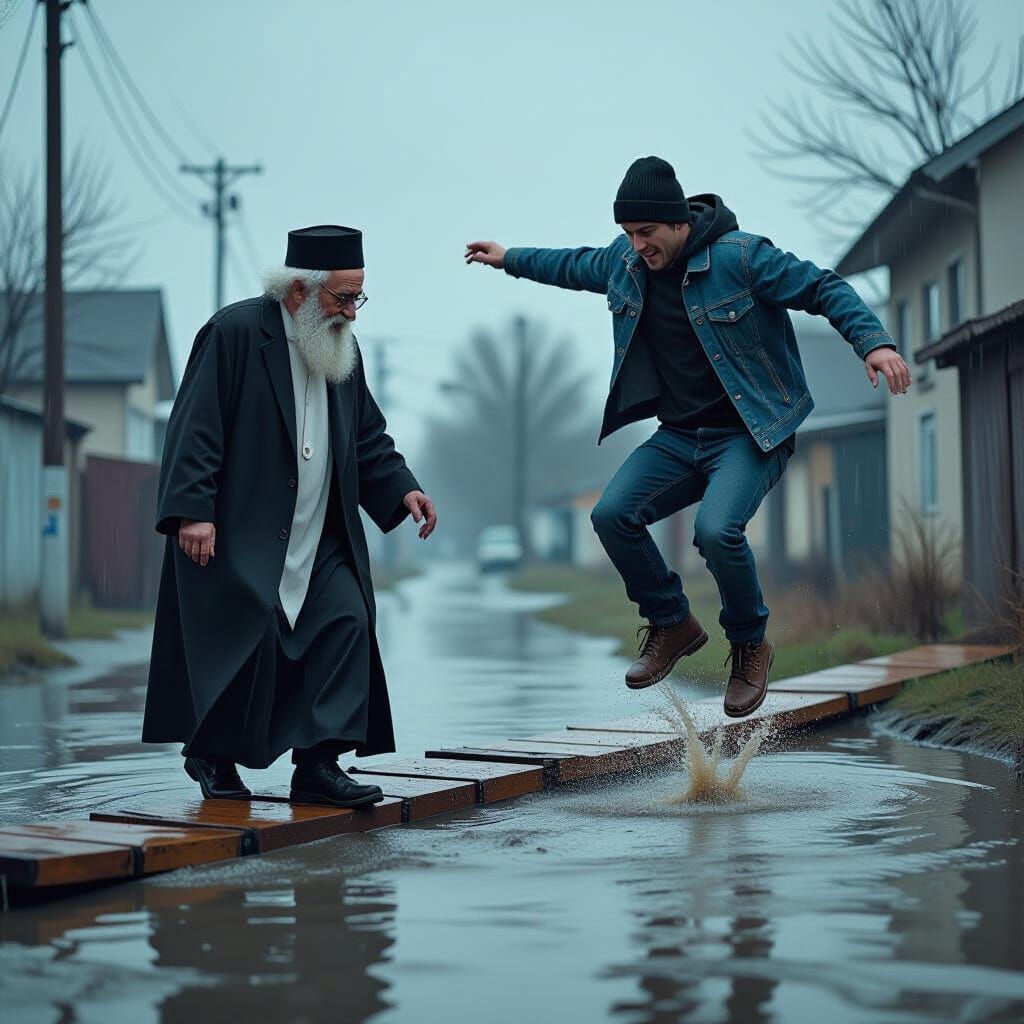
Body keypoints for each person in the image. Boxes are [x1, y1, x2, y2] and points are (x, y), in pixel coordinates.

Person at [465, 157, 910, 718]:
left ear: (677, 223)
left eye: (646, 233)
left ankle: (750, 645)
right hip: (679, 437)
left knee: (717, 530)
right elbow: (573, 264)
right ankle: (672, 623)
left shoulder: (742, 259)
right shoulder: (624, 264)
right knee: (611, 515)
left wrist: (874, 342)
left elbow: (822, 287)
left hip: (751, 434)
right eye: (628, 234)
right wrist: (510, 259)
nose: (637, 246)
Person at [143, 225, 436, 805]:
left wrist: (402, 488)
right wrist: (192, 511)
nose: (352, 312)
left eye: (358, 297)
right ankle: (213, 756)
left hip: (319, 535)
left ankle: (319, 765)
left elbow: (367, 437)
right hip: (241, 531)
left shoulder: (341, 349)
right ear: (299, 291)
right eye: (342, 297)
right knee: (244, 643)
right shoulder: (232, 334)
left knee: (347, 621)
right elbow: (194, 427)